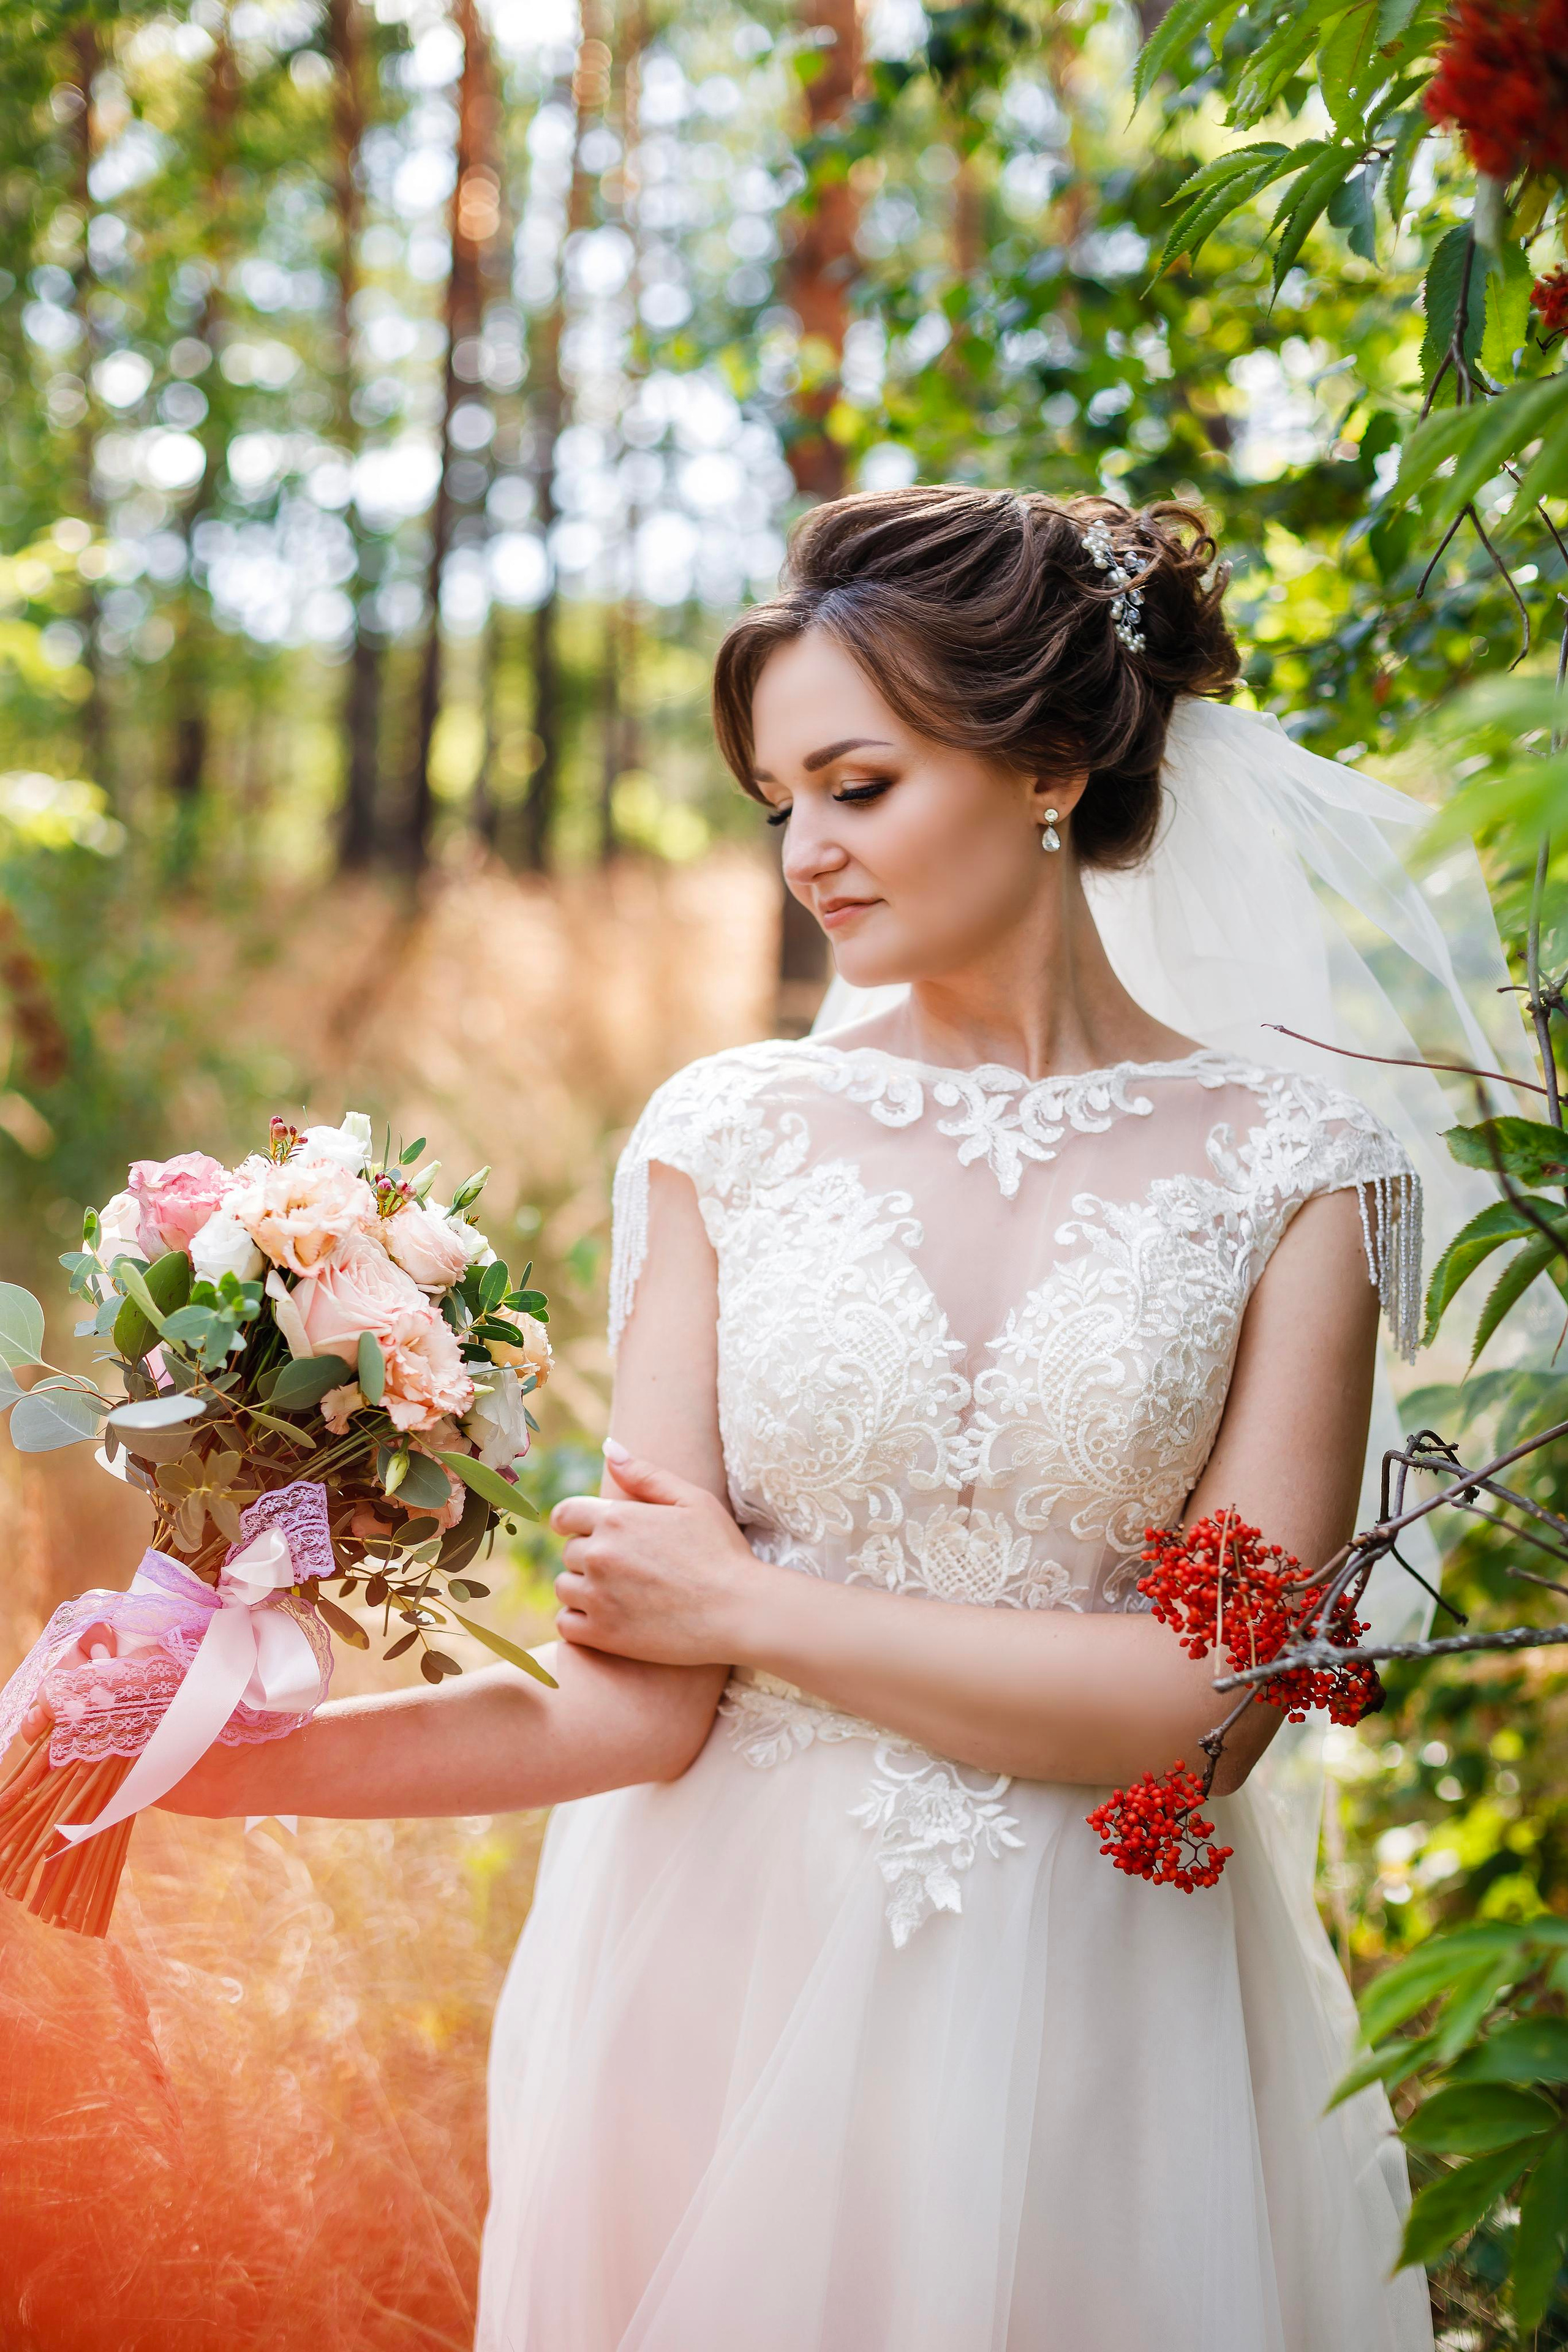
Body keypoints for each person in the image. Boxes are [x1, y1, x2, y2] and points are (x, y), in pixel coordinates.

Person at [157, 488, 1434, 2349]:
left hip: (1104, 1994)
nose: (807, 857)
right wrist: (230, 1764)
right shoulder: (726, 1135)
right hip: (717, 1987)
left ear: (1051, 760)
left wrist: (755, 1610)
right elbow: (634, 1699)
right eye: (782, 807)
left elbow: (1216, 1705)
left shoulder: (1294, 1161)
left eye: (860, 785)